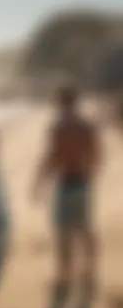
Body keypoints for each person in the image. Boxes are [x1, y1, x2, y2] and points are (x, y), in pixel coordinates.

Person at [32, 86, 100, 293]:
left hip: (66, 182)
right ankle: (89, 271)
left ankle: (65, 277)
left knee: (63, 233)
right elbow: (96, 156)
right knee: (85, 227)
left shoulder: (58, 127)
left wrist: (39, 181)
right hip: (83, 181)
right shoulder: (87, 126)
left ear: (60, 102)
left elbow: (52, 157)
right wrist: (87, 171)